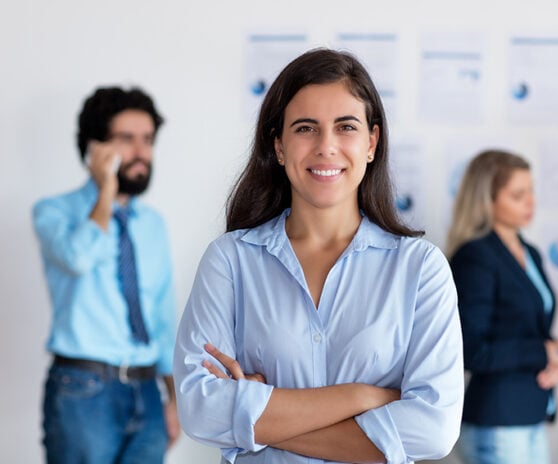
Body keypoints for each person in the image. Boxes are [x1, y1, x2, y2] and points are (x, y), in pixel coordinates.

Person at [173, 48, 464, 464]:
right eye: (306, 128)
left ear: (371, 142)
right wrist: (362, 397)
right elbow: (200, 411)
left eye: (345, 127)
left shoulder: (420, 268)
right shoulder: (230, 260)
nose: (326, 146)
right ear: (278, 145)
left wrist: (256, 418)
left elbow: (433, 431)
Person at [32, 86, 180, 463]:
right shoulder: (54, 212)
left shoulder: (153, 225)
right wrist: (106, 194)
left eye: (147, 140)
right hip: (84, 390)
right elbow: (78, 258)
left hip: (148, 391)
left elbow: (160, 316)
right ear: (95, 148)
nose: (141, 152)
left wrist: (174, 397)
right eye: (126, 139)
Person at [446, 150, 558, 464]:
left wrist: (555, 361)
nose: (530, 202)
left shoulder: (530, 252)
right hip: (498, 419)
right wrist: (544, 351)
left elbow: (532, 331)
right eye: (518, 195)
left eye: (531, 191)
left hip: (531, 412)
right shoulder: (475, 257)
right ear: (486, 201)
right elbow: (471, 351)